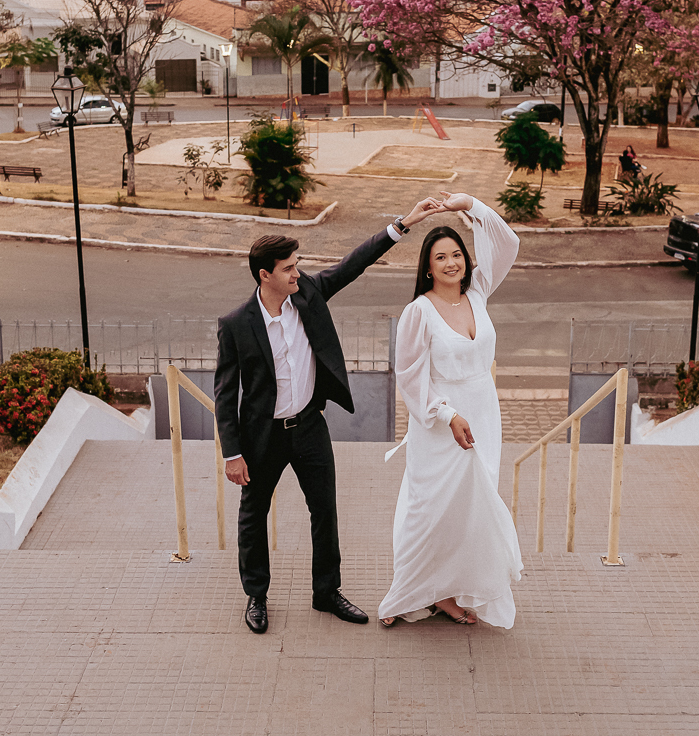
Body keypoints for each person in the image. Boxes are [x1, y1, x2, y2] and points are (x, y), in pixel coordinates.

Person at [214, 196, 443, 635]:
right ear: (266, 275)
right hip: (262, 436)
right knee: (253, 513)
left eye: (297, 266)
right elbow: (226, 394)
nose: (297, 274)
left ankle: (326, 592)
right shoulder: (236, 324)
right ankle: (257, 595)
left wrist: (404, 223)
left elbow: (354, 263)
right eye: (288, 268)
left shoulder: (310, 294)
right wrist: (232, 453)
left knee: (325, 509)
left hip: (309, 426)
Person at [379, 191, 523, 629]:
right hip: (441, 422)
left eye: (457, 254)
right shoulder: (417, 312)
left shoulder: (479, 291)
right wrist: (447, 415)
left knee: (472, 506)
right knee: (432, 507)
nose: (451, 263)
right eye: (440, 257)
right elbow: (410, 376)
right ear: (427, 266)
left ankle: (452, 591)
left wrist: (468, 205)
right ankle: (413, 591)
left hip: (483, 413)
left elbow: (508, 242)